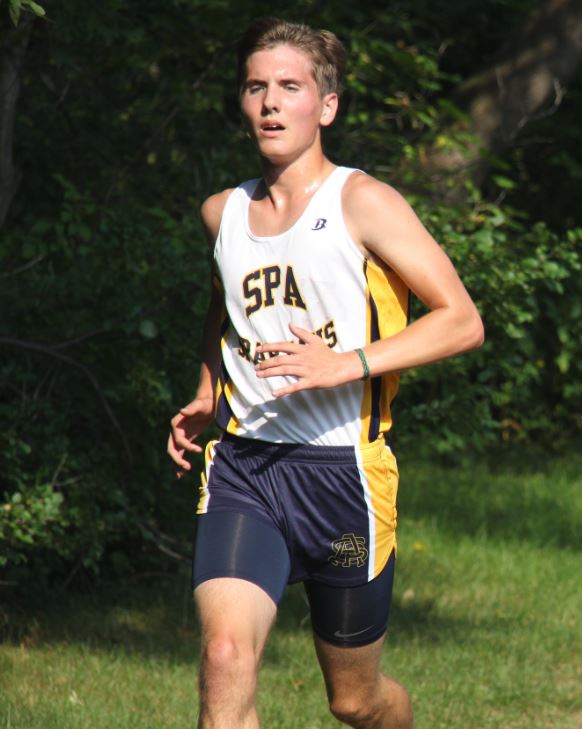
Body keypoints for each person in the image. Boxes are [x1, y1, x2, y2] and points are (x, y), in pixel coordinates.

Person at [167, 16, 484, 729]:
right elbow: (225, 313)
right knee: (224, 654)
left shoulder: (363, 203)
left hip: (343, 475)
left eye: (290, 86)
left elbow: (462, 319)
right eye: (256, 87)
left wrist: (349, 363)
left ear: (327, 106)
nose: (271, 102)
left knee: (355, 701)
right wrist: (206, 390)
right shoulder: (224, 214)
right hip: (246, 466)